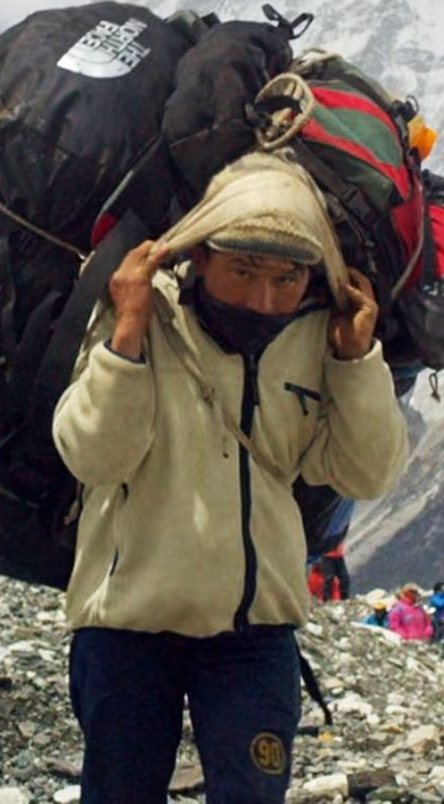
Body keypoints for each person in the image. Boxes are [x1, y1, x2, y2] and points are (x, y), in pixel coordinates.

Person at [53, 151, 409, 803]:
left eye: (285, 279)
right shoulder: (143, 313)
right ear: (202, 255)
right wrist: (128, 331)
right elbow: (93, 457)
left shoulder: (318, 338)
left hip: (255, 634)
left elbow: (370, 469)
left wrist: (357, 361)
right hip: (127, 628)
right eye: (243, 271)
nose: (263, 298)